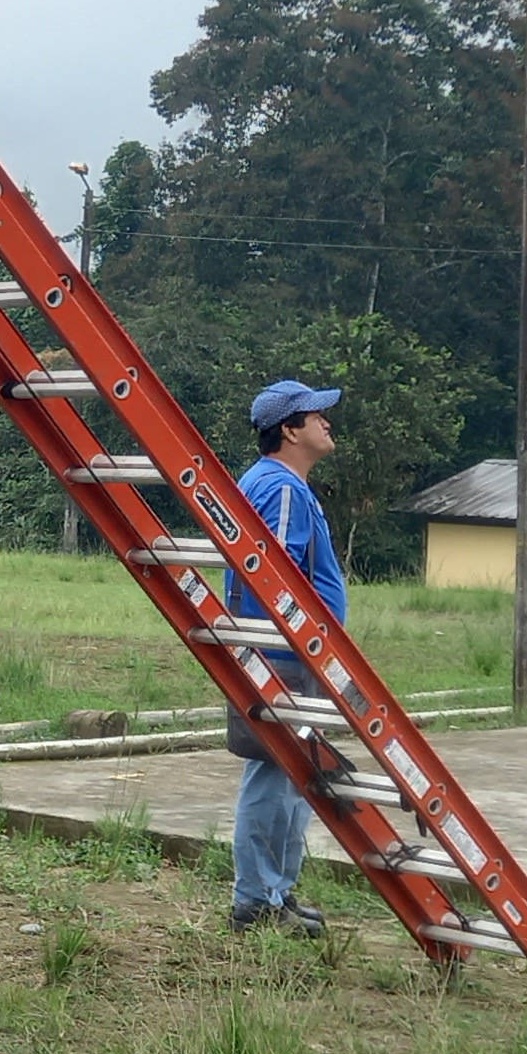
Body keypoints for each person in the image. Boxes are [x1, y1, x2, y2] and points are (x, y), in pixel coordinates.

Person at [225, 378, 347, 933]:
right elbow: (269, 577)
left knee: (292, 777)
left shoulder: (278, 483)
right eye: (316, 414)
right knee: (275, 778)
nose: (327, 421)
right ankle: (257, 901)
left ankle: (273, 893)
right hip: (283, 652)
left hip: (288, 653)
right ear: (289, 430)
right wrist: (287, 647)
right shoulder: (281, 489)